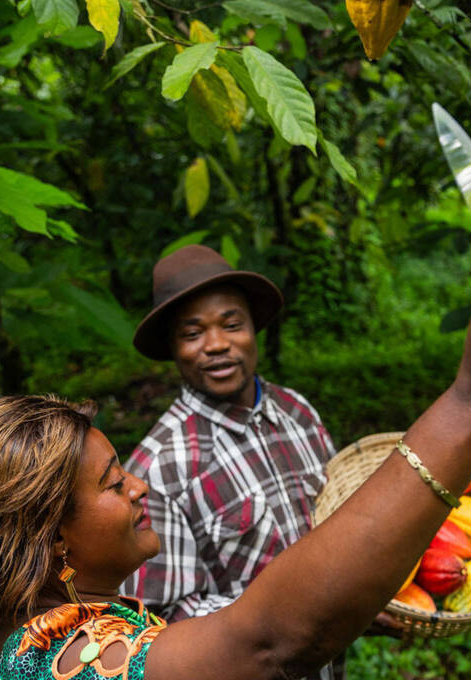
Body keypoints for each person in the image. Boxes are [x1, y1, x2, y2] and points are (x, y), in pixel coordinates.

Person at [0, 248, 471, 680]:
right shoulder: (59, 664)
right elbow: (264, 644)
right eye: (111, 482)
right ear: (47, 537)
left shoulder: (4, 621)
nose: (137, 484)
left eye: (231, 323)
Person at [119, 246, 338, 661]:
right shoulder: (158, 468)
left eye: (232, 325)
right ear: (173, 347)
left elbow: (338, 515)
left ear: (253, 329)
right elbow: (163, 622)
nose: (217, 344)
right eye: (192, 333)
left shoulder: (297, 412)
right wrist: (293, 619)